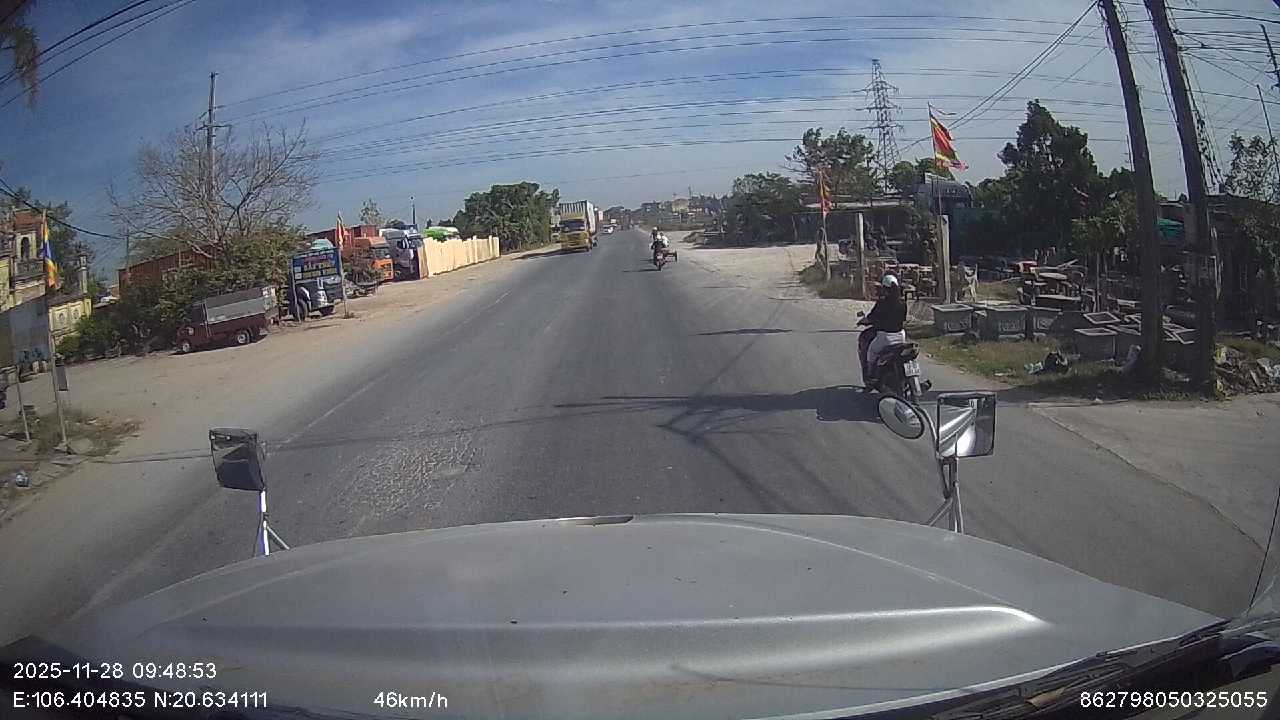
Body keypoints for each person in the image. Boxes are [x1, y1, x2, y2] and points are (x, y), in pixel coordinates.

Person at [857, 273, 908, 383]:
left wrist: (864, 321)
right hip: (900, 336)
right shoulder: (903, 303)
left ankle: (870, 376)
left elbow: (871, 318)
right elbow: (903, 319)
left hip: (885, 338)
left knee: (871, 353)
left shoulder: (882, 303)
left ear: (884, 288)